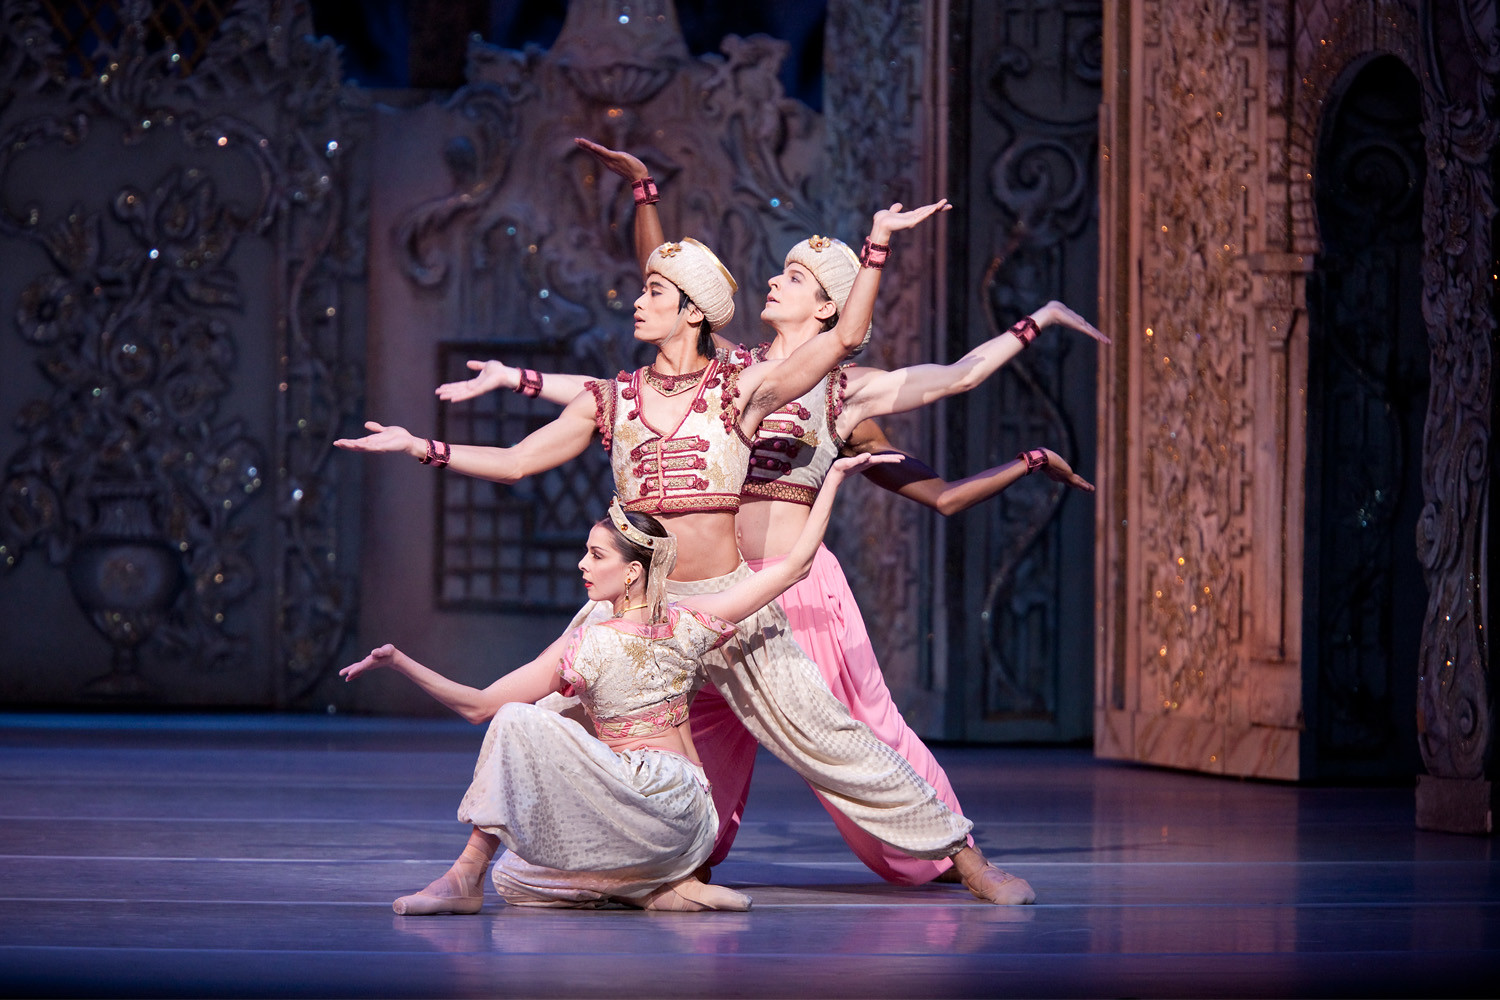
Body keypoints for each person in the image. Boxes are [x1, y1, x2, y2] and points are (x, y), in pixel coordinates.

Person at [431, 138, 1104, 886]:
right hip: (685, 584)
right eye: (780, 271)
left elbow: (952, 382)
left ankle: (948, 851)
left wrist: (1033, 323)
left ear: (828, 301)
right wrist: (643, 197)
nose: (774, 282)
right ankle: (658, 859)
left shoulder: (843, 386)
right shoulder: (733, 372)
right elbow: (646, 339)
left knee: (846, 730)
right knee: (624, 716)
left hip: (787, 583)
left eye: (796, 277)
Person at [339, 453, 897, 913]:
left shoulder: (684, 620)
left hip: (670, 798)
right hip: (672, 818)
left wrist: (836, 478)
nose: (582, 564)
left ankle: (465, 876)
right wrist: (400, 662)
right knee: (520, 879)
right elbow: (477, 704)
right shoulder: (603, 636)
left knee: (519, 721)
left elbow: (796, 566)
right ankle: (658, 888)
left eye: (596, 554)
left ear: (632, 571)